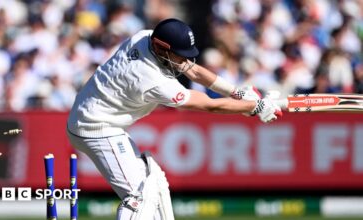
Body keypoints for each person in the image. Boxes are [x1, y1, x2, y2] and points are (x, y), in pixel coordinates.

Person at [66, 18, 282, 220]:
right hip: (95, 129)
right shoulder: (150, 79)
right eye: (179, 54)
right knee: (138, 198)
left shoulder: (145, 37)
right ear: (161, 47)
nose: (184, 60)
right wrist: (256, 106)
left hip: (98, 119)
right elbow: (209, 105)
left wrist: (237, 93)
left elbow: (193, 71)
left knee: (156, 183)